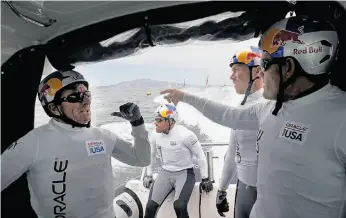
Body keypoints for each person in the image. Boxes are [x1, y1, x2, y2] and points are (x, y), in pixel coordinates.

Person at [160, 15, 346, 218]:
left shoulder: (340, 116)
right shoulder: (268, 108)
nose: (261, 73)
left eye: (265, 64)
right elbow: (226, 115)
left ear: (288, 69)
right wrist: (184, 96)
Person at [1, 70, 151, 218]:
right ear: (54, 108)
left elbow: (141, 159)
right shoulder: (34, 142)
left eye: (87, 94)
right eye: (75, 96)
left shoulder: (103, 136)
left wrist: (137, 124)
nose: (86, 101)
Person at [216, 46, 266, 218]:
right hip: (243, 188)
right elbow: (232, 153)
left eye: (236, 69)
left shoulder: (275, 105)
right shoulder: (239, 109)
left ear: (257, 71)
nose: (231, 76)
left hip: (270, 192)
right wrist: (222, 189)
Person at [143, 104, 213, 218]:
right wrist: (149, 175)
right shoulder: (155, 135)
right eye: (155, 119)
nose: (155, 123)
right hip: (165, 172)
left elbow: (200, 155)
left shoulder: (186, 135)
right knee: (150, 207)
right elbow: (151, 155)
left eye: (159, 120)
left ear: (170, 121)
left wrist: (205, 178)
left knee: (179, 206)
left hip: (184, 173)